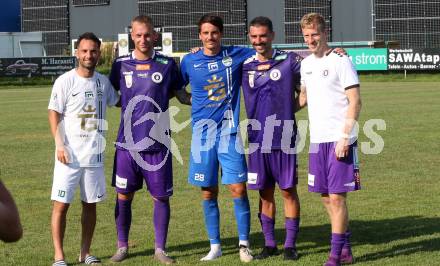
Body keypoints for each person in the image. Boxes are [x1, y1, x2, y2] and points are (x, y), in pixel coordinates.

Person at [109, 15, 191, 265]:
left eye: (147, 35)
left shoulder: (167, 64)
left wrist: (210, 98)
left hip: (158, 146)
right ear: (131, 36)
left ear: (155, 35)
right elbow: (112, 96)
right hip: (127, 145)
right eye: (138, 35)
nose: (143, 39)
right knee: (124, 196)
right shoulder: (120, 65)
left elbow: (182, 96)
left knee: (161, 198)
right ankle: (122, 247)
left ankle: (160, 249)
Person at [179, 14, 254, 262]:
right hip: (202, 135)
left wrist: (331, 51)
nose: (210, 37)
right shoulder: (189, 61)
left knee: (238, 188)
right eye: (205, 33)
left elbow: (266, 50)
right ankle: (215, 246)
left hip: (229, 132)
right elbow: (177, 89)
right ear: (199, 35)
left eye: (214, 32)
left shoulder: (237, 55)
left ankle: (244, 244)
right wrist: (193, 100)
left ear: (221, 33)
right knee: (208, 192)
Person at [48, 32, 120, 266]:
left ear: (99, 53)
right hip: (68, 157)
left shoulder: (103, 82)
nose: (89, 55)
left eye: (93, 51)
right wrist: (59, 144)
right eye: (85, 51)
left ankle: (85, 253)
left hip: (94, 157)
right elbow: (53, 113)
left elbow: (119, 100)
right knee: (61, 206)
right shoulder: (65, 81)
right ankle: (59, 256)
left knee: (90, 206)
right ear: (76, 53)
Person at [299, 13, 362, 266]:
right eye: (306, 36)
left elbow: (355, 101)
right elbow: (303, 99)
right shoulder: (305, 65)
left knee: (337, 198)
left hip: (340, 139)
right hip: (318, 140)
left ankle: (334, 256)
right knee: (326, 197)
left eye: (315, 34)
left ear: (325, 33)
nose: (311, 40)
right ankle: (345, 248)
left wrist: (345, 137)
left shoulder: (340, 60)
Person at [241, 16, 302, 261]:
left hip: (284, 137)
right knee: (264, 193)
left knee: (288, 191)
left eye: (263, 36)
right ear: (249, 37)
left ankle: (289, 245)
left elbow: (311, 80)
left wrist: (288, 109)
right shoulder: (243, 64)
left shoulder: (289, 60)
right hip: (257, 139)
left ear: (272, 36)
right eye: (254, 37)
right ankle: (269, 244)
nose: (259, 41)